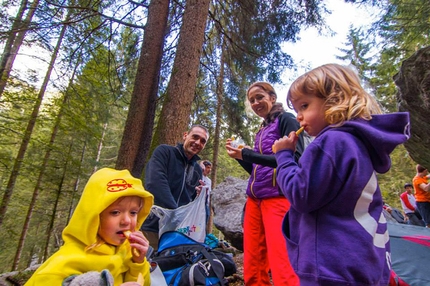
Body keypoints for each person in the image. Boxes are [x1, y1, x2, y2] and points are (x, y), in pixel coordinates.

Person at [272, 63, 410, 285]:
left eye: (305, 105)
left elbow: (300, 194)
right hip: (359, 260)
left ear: (335, 100)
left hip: (330, 265)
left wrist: (285, 156)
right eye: (296, 109)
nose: (298, 116)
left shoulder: (330, 143)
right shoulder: (358, 144)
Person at [226, 82, 304, 286]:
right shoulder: (262, 129)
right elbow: (258, 170)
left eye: (259, 97)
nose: (255, 102)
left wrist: (249, 153)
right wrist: (241, 157)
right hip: (254, 199)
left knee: (281, 259)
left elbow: (294, 158)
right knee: (253, 260)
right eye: (251, 100)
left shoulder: (286, 119)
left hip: (278, 197)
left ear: (272, 97)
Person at [25, 168, 154, 286]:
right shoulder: (64, 264)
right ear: (94, 217)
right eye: (115, 212)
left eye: (133, 212)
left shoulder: (128, 251)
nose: (126, 221)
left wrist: (138, 263)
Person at [141, 125, 209, 250]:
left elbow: (191, 202)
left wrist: (199, 197)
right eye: (195, 137)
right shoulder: (165, 152)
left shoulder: (197, 171)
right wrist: (175, 213)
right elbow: (155, 182)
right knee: (148, 265)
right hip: (152, 226)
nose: (198, 142)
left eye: (202, 141)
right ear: (185, 136)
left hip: (178, 232)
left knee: (170, 267)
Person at [199, 160, 213, 232]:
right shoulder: (199, 176)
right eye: (208, 167)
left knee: (206, 218)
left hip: (206, 203)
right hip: (198, 202)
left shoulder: (209, 180)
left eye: (210, 168)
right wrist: (201, 163)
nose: (209, 170)